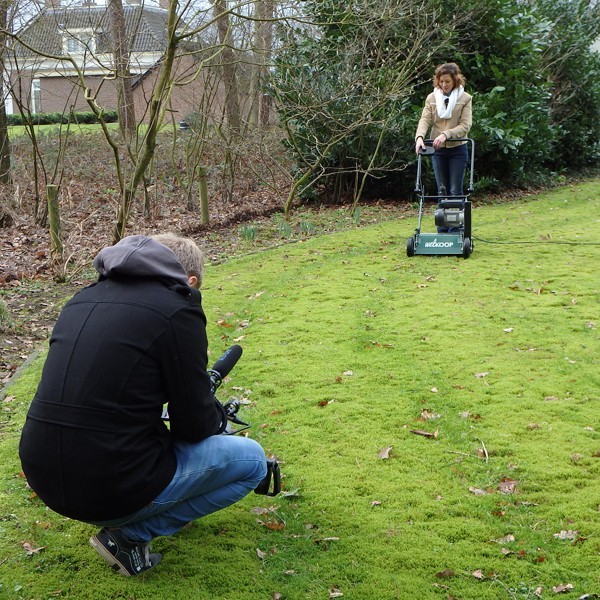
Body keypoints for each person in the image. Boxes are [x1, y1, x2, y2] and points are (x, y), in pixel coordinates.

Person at [19, 233, 268, 576]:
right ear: (189, 280)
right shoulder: (177, 308)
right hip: (108, 484)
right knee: (253, 462)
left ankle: (134, 510)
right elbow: (193, 427)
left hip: (42, 474)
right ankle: (131, 535)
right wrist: (215, 415)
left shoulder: (80, 299)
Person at [415, 62, 473, 228]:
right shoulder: (432, 98)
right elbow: (425, 120)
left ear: (455, 80)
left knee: (455, 191)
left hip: (457, 149)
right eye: (441, 81)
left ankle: (455, 230)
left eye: (447, 81)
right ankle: (442, 230)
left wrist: (446, 134)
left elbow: (465, 125)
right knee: (442, 190)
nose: (444, 85)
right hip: (438, 150)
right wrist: (419, 137)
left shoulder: (465, 98)